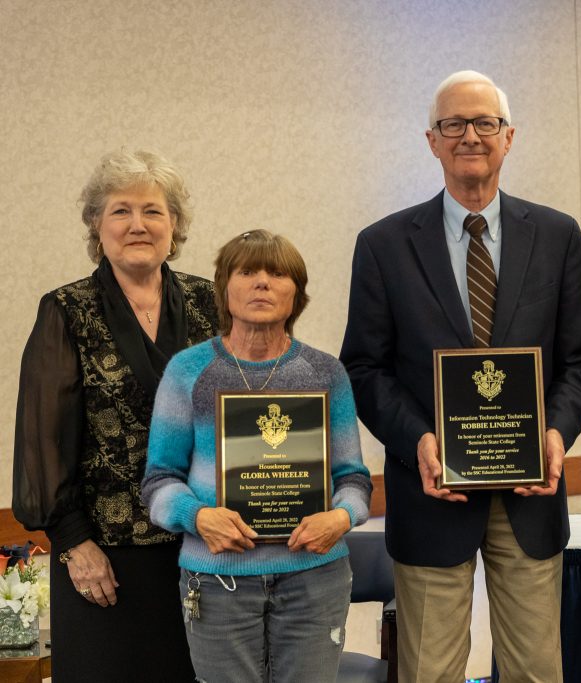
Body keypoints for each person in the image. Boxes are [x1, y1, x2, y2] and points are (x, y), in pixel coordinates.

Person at [340, 70, 581, 682]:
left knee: (537, 670)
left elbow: (578, 364)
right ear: (431, 140)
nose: (470, 136)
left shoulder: (559, 237)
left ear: (509, 137)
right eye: (454, 124)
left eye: (485, 123)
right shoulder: (383, 245)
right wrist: (419, 442)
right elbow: (365, 368)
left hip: (530, 494)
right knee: (431, 671)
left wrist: (557, 435)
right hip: (430, 492)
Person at [12, 150, 216, 681]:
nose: (138, 225)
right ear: (97, 226)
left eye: (153, 211)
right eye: (120, 211)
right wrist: (74, 545)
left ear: (175, 225)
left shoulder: (210, 302)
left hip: (204, 547)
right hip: (105, 558)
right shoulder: (66, 310)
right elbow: (43, 440)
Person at [141, 230, 371, 682]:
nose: (262, 283)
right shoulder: (188, 371)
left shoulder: (326, 372)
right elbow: (158, 481)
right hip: (217, 580)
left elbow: (354, 479)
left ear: (297, 294)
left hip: (314, 578)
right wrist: (197, 516)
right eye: (247, 272)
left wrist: (341, 518)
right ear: (225, 289)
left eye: (277, 273)